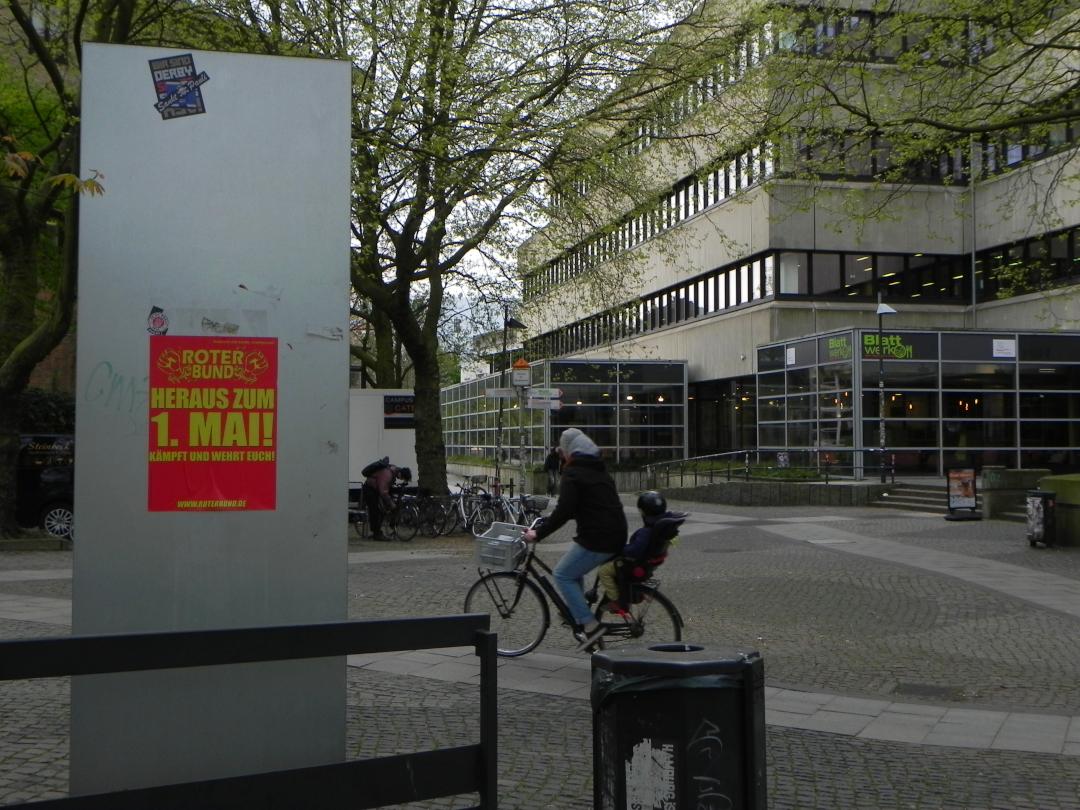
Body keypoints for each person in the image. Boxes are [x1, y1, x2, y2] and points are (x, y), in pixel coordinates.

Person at [523, 428, 627, 651]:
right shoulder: (598, 469)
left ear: (570, 451)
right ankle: (577, 613)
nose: (562, 457)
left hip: (598, 538)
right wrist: (546, 522)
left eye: (563, 452)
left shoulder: (574, 474)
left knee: (562, 574)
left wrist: (538, 534)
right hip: (615, 533)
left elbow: (565, 511)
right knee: (573, 571)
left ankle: (589, 626)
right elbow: (572, 509)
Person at [595, 491, 685, 611]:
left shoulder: (646, 532)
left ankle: (616, 601)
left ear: (643, 512)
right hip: (646, 564)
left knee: (603, 571)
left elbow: (634, 551)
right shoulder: (662, 526)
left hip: (632, 564)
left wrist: (621, 549)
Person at [362, 457, 399, 541]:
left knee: (380, 510)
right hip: (370, 489)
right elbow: (383, 491)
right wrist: (391, 504)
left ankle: (377, 531)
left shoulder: (391, 469)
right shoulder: (387, 474)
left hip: (373, 488)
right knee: (374, 510)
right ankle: (376, 534)